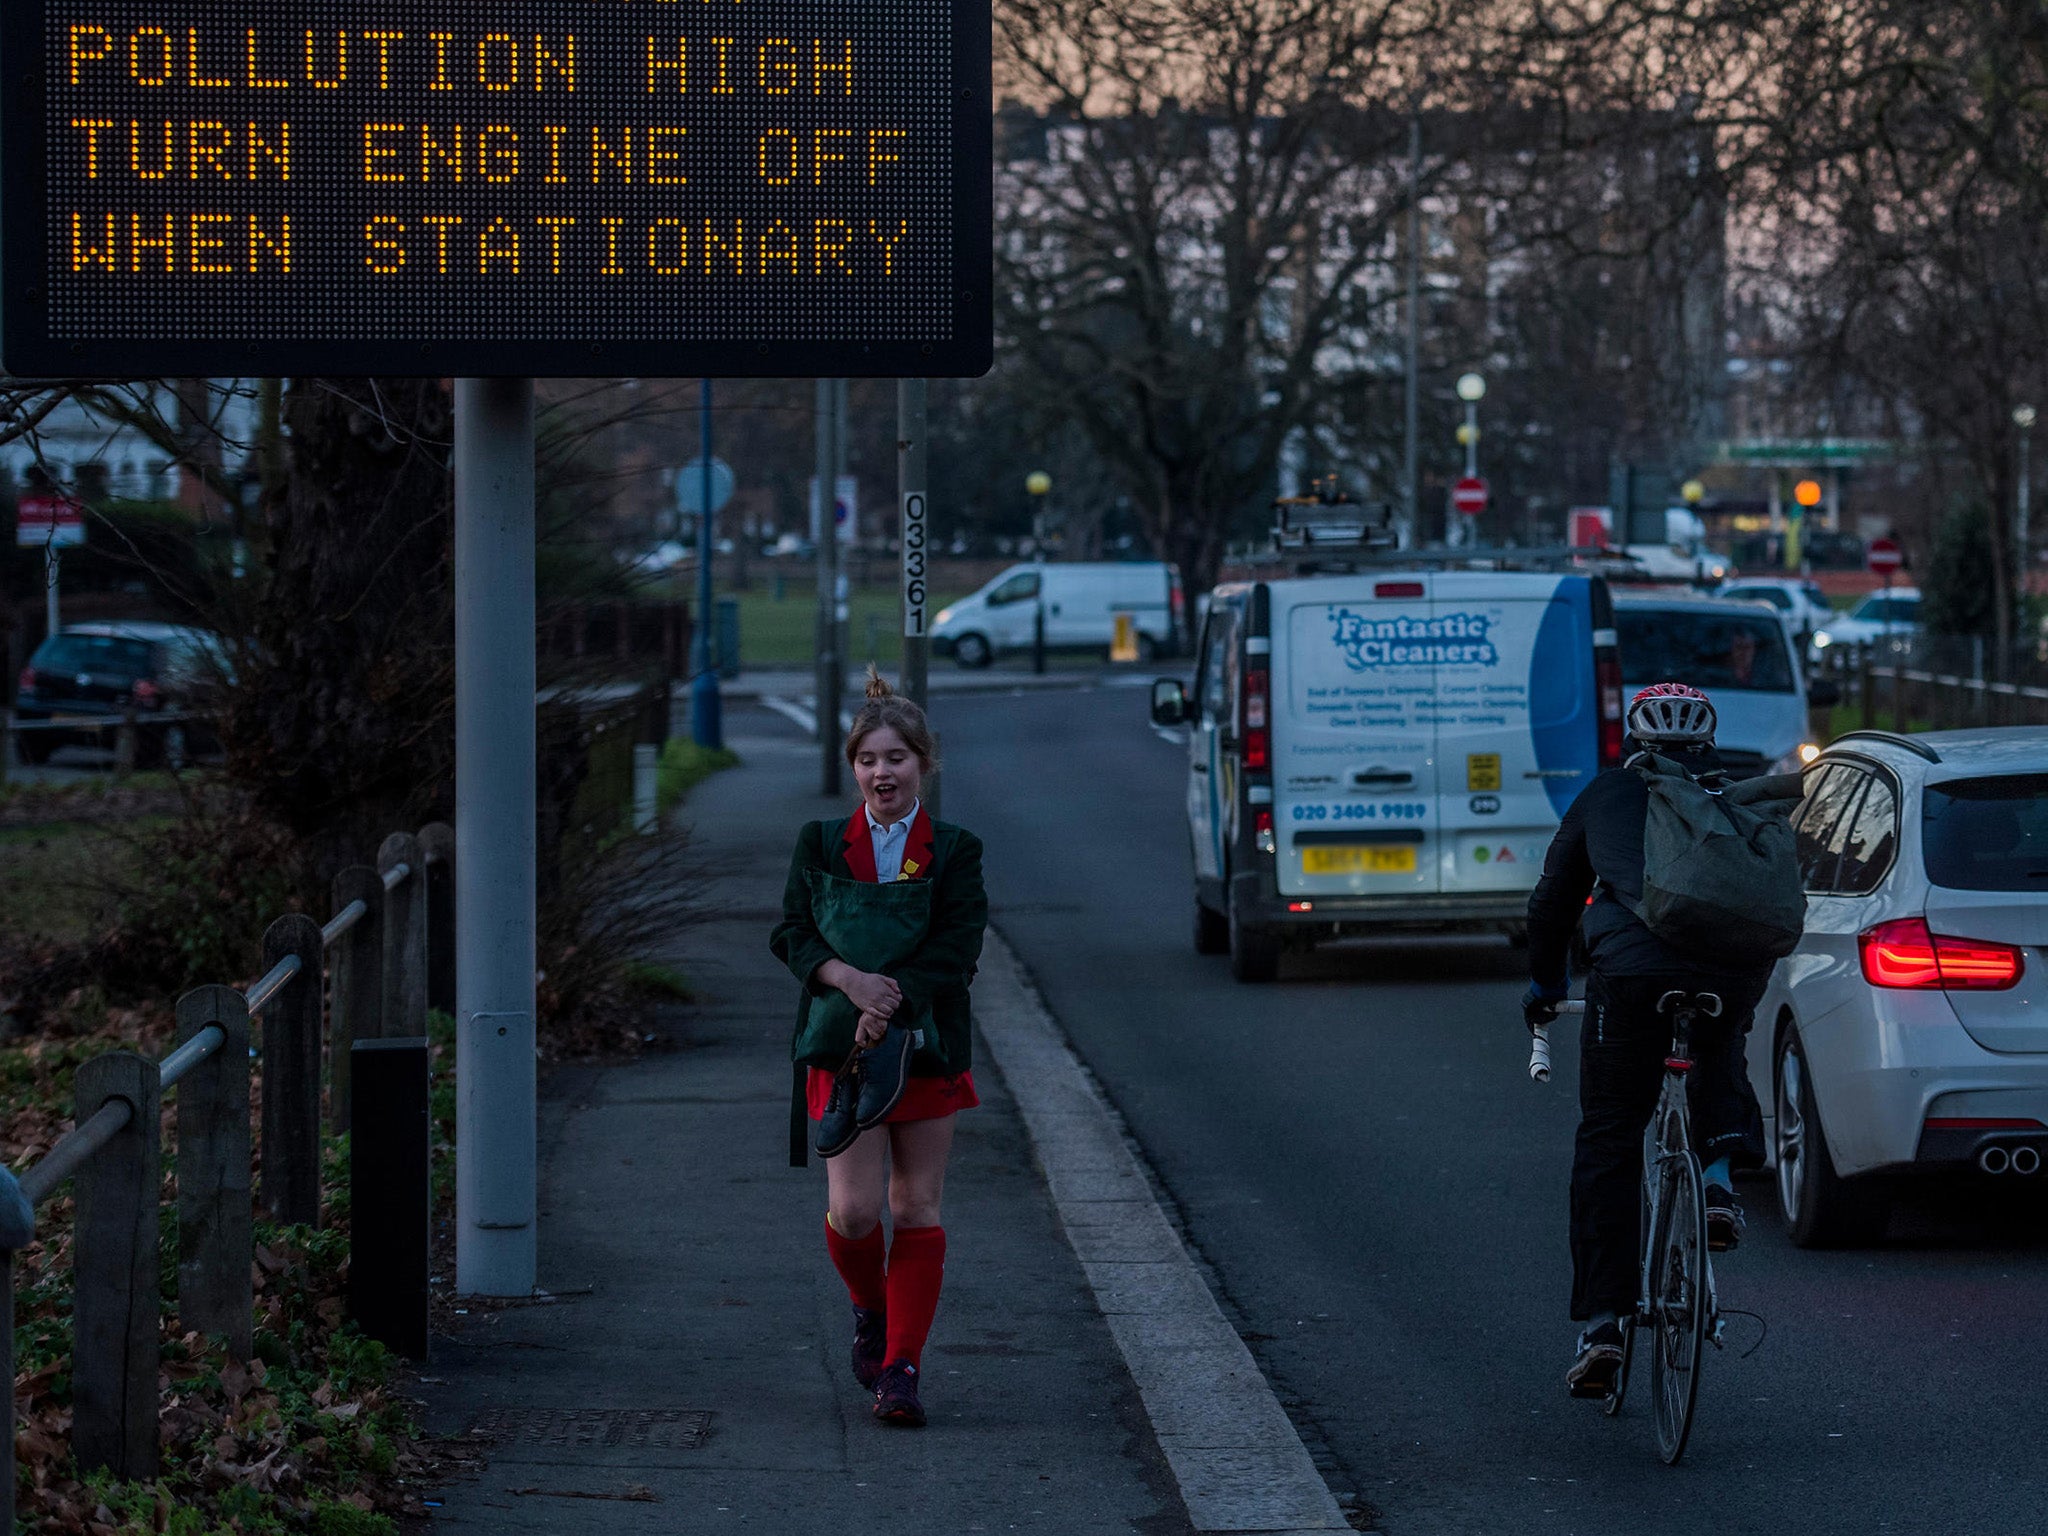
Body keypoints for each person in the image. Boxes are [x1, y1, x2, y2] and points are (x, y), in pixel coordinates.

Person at [1522, 683, 1775, 1399]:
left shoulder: (1608, 796)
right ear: (1707, 744)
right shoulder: (1740, 797)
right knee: (1722, 1041)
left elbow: (1551, 904)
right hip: (1732, 966)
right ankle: (1721, 1188)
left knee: (1608, 1136)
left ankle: (1603, 1325)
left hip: (1630, 978)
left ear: (1634, 743)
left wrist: (1542, 987)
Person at [769, 669, 987, 1429]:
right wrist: (849, 983)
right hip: (841, 1050)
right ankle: (869, 1309)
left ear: (924, 761)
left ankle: (902, 1368)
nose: (881, 772)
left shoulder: (955, 850)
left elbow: (957, 951)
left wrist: (889, 1001)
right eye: (868, 759)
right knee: (856, 1212)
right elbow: (793, 932)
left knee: (915, 1205)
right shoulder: (821, 843)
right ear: (852, 766)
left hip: (925, 1049)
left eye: (896, 757)